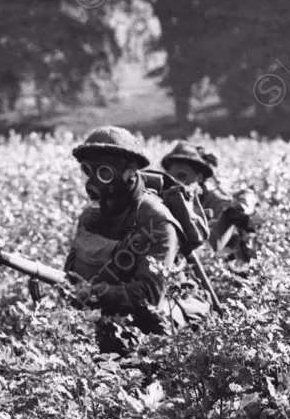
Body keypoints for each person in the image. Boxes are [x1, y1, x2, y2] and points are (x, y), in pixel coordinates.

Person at [65, 126, 209, 354]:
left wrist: (94, 292)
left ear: (130, 172)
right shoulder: (91, 218)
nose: (93, 181)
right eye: (88, 171)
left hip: (156, 326)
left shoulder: (157, 221)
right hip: (104, 317)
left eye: (104, 172)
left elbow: (149, 296)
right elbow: (72, 274)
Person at [161, 141, 259, 263]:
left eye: (182, 176)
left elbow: (209, 248)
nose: (175, 182)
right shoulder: (162, 196)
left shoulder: (216, 202)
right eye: (170, 177)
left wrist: (227, 218)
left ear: (199, 178)